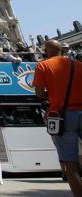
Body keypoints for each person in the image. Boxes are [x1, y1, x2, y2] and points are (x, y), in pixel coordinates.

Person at [34, 39, 82, 196]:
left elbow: (40, 93)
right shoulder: (78, 65)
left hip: (62, 116)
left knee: (71, 164)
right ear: (62, 50)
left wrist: (53, 95)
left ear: (46, 51)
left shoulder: (43, 65)